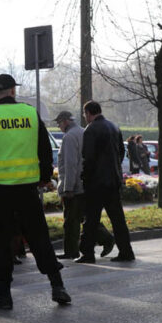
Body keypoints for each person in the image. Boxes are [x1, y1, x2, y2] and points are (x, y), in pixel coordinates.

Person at [0, 73, 71, 309]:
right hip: (27, 188)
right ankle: (57, 285)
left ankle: (3, 294)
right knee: (38, 236)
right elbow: (44, 148)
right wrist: (44, 177)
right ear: (13, 91)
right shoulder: (30, 113)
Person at [76, 100, 136, 263]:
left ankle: (87, 253)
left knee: (91, 220)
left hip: (96, 182)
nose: (85, 117)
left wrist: (85, 177)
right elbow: (121, 152)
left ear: (88, 113)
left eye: (84, 114)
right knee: (118, 220)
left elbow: (88, 158)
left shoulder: (91, 129)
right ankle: (126, 251)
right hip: (113, 180)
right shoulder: (114, 127)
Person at [53, 110, 115, 260]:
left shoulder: (69, 137)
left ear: (66, 121)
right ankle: (106, 238)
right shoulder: (83, 131)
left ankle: (71, 251)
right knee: (86, 217)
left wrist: (68, 187)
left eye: (59, 123)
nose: (59, 126)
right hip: (86, 183)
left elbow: (70, 164)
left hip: (74, 186)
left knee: (71, 220)